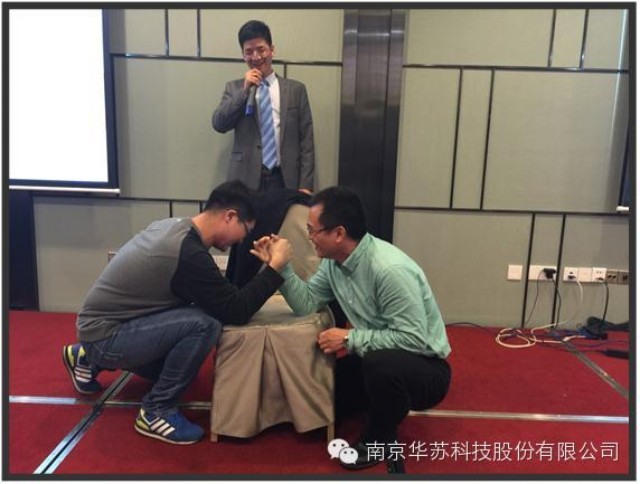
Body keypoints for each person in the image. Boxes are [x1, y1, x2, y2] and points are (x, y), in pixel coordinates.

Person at [62, 181, 292, 445]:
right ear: (229, 216)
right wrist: (276, 267)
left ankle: (87, 358)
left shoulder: (176, 227)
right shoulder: (189, 254)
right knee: (205, 325)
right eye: (245, 230)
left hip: (103, 326)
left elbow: (221, 297)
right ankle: (156, 409)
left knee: (188, 348)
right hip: (105, 336)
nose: (242, 240)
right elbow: (235, 310)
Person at [253, 186, 452, 473]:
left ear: (338, 233)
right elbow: (306, 303)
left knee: (380, 366)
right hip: (374, 355)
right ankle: (381, 405)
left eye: (312, 230)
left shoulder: (388, 269)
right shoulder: (334, 263)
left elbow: (413, 339)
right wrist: (280, 267)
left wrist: (349, 338)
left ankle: (377, 440)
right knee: (325, 394)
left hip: (424, 366)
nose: (309, 237)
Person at [212, 20, 315, 193]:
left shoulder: (296, 90)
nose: (256, 57)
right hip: (245, 179)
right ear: (243, 55)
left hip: (284, 178)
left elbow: (307, 142)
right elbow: (219, 124)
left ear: (272, 50)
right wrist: (244, 91)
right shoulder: (235, 88)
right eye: (249, 52)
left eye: (261, 50)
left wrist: (306, 185)